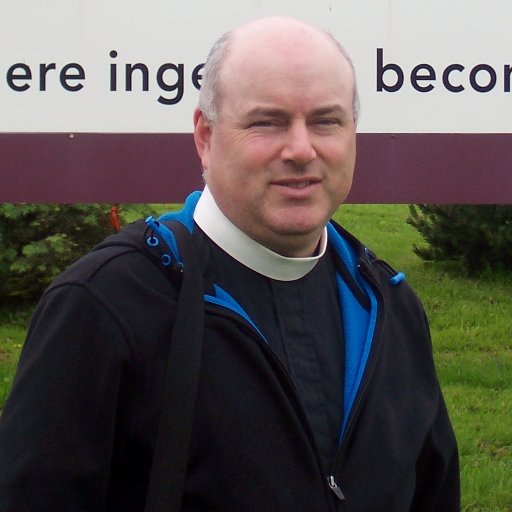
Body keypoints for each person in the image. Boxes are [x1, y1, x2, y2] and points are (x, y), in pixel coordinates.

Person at [0, 16, 460, 512]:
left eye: (326, 121)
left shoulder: (386, 305)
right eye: (268, 121)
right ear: (205, 135)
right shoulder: (103, 307)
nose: (301, 150)